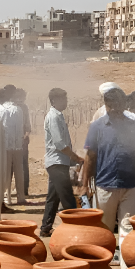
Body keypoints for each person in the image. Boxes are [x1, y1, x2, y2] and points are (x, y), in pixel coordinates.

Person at [82, 88, 135, 261]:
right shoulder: (97, 127)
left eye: (119, 105)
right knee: (104, 231)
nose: (116, 110)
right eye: (112, 106)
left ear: (124, 105)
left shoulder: (134, 126)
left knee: (128, 231)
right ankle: (104, 266)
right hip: (105, 185)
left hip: (130, 185)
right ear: (107, 106)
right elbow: (90, 157)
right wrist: (85, 185)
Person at [40, 88, 82, 237]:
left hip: (60, 162)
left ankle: (45, 227)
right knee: (68, 199)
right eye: (63, 99)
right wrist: (76, 158)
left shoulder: (59, 116)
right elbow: (59, 144)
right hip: (57, 162)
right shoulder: (54, 117)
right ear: (53, 101)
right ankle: (77, 231)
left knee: (54, 197)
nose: (66, 102)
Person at [0, 93, 29, 208]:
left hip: (6, 145)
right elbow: (21, 127)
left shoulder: (1, 110)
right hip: (18, 145)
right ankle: (21, 197)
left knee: (6, 173)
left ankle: (7, 198)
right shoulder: (19, 110)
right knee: (19, 172)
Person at [14, 88, 32, 197]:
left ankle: (24, 190)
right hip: (17, 141)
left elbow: (28, 126)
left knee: (23, 166)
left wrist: (25, 137)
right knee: (19, 166)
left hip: (21, 141)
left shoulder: (23, 108)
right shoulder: (17, 108)